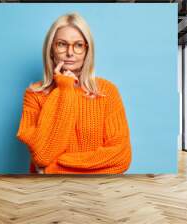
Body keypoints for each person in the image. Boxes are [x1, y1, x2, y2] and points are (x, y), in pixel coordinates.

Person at [16, 12, 132, 174]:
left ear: (87, 51)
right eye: (62, 44)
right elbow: (42, 155)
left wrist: (54, 168)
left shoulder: (106, 91)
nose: (70, 52)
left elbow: (121, 158)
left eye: (78, 45)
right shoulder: (35, 94)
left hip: (95, 190)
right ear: (51, 49)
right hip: (46, 192)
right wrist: (65, 88)